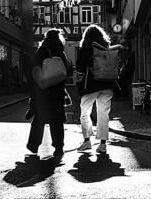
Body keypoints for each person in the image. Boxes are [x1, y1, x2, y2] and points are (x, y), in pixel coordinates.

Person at [27, 29, 70, 158]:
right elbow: (65, 71)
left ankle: (34, 145)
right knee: (57, 121)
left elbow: (34, 69)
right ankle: (58, 147)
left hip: (44, 93)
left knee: (39, 119)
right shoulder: (61, 53)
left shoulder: (42, 51)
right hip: (57, 93)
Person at [75, 24, 116, 153]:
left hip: (91, 85)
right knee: (103, 114)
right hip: (107, 84)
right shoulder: (107, 48)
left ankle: (87, 141)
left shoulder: (85, 48)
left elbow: (80, 67)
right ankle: (103, 144)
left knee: (85, 113)